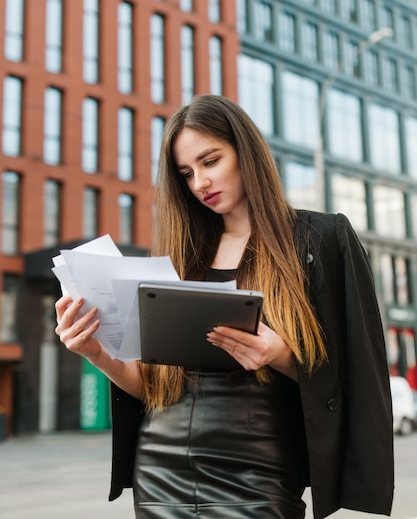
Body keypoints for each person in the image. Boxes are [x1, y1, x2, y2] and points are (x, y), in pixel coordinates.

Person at [55, 94, 394, 519]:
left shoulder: (319, 239)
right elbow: (153, 386)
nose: (199, 183)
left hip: (260, 473)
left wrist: (281, 355)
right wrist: (95, 352)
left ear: (245, 152)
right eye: (186, 173)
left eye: (210, 161)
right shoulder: (180, 258)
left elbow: (359, 373)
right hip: (162, 470)